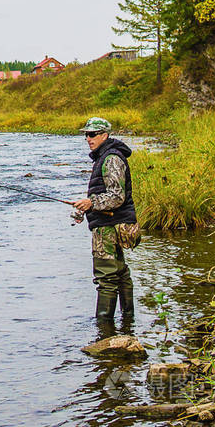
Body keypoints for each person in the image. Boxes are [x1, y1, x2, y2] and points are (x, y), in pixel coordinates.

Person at [73, 117, 139, 320]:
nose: (88, 138)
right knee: (120, 273)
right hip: (112, 224)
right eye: (86, 134)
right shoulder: (105, 157)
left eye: (92, 134)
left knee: (106, 278)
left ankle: (104, 328)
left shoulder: (111, 158)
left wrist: (91, 203)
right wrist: (85, 209)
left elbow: (116, 196)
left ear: (104, 135)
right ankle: (128, 320)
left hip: (110, 227)